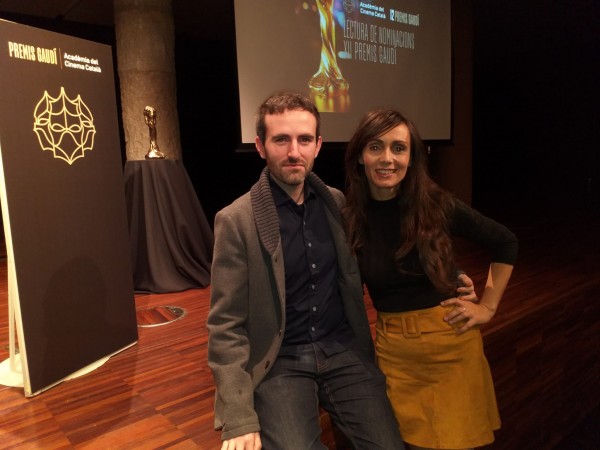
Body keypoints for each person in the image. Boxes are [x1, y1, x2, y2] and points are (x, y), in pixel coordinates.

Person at [207, 92, 405, 449]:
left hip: (342, 349)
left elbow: (381, 257)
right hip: (281, 360)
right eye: (281, 139)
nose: (294, 151)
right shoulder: (236, 221)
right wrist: (238, 413)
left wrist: (447, 282)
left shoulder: (336, 204)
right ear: (261, 146)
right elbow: (225, 326)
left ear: (318, 145)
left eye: (303, 140)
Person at [343, 109, 518, 450]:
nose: (387, 158)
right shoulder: (350, 218)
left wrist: (488, 307)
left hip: (449, 347)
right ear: (360, 157)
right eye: (376, 147)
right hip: (394, 353)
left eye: (399, 148)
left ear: (412, 157)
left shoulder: (434, 204)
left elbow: (505, 241)